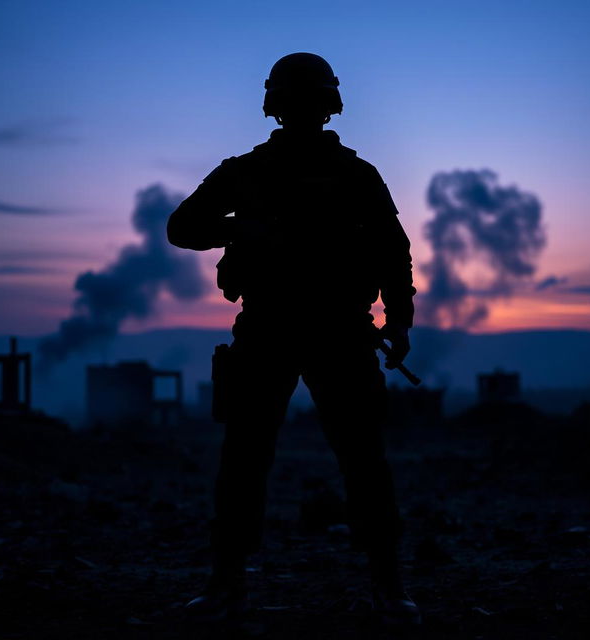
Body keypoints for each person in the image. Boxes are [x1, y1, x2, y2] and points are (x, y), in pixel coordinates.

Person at [167, 52, 420, 628]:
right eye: (298, 100)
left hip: (332, 329)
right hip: (275, 327)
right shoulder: (251, 172)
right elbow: (183, 227)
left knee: (354, 460)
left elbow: (391, 250)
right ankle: (231, 583)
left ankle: (385, 585)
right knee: (252, 458)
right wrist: (243, 228)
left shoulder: (353, 175)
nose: (304, 110)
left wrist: (399, 318)